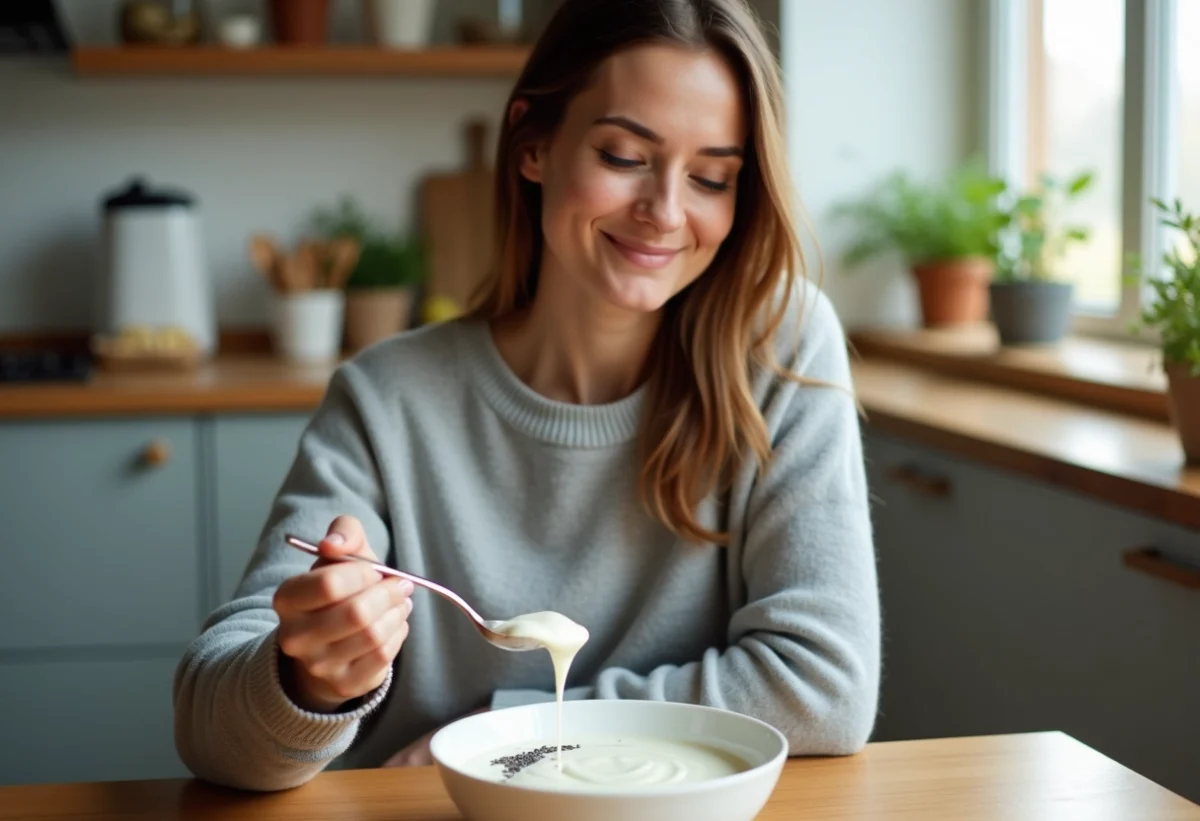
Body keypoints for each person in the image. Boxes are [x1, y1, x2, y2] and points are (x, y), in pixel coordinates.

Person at [173, 0, 880, 792]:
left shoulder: (779, 350)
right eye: (622, 156)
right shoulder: (388, 398)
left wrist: (507, 737)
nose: (667, 213)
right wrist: (306, 679)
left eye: (713, 177)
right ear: (533, 144)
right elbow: (211, 726)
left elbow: (824, 689)